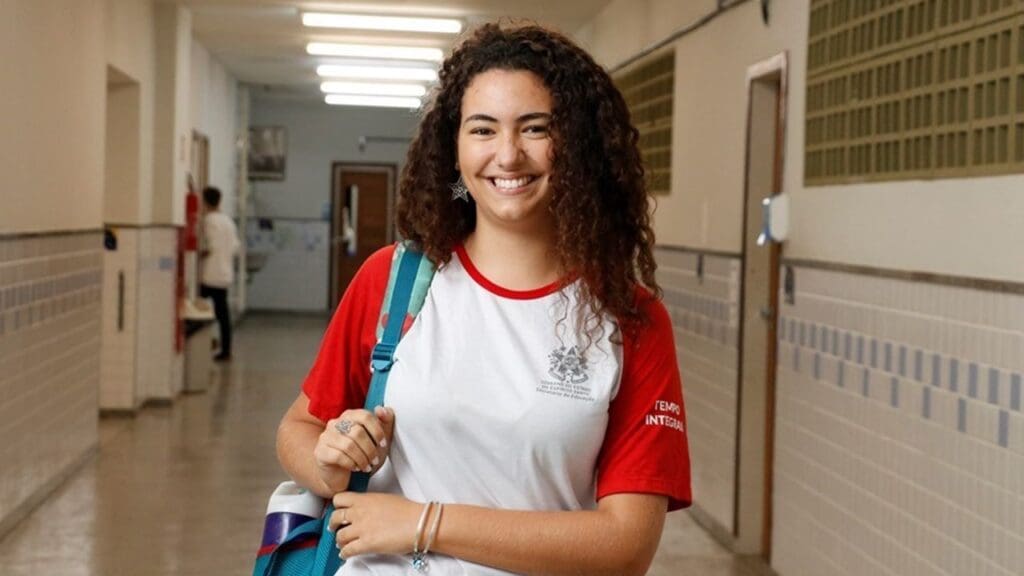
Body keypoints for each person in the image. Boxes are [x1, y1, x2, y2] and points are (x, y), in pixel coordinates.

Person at [276, 22, 691, 576]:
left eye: (536, 127)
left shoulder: (629, 320)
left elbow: (626, 545)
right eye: (483, 129)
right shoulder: (395, 282)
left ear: (577, 146)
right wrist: (331, 463)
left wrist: (426, 522)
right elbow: (297, 430)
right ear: (454, 149)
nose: (508, 154)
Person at [200, 186, 240, 362]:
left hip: (209, 274)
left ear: (205, 201)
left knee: (198, 311)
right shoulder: (228, 221)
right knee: (223, 315)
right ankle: (225, 349)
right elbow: (235, 247)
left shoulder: (208, 220)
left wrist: (200, 255)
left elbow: (210, 246)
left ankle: (205, 343)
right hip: (225, 273)